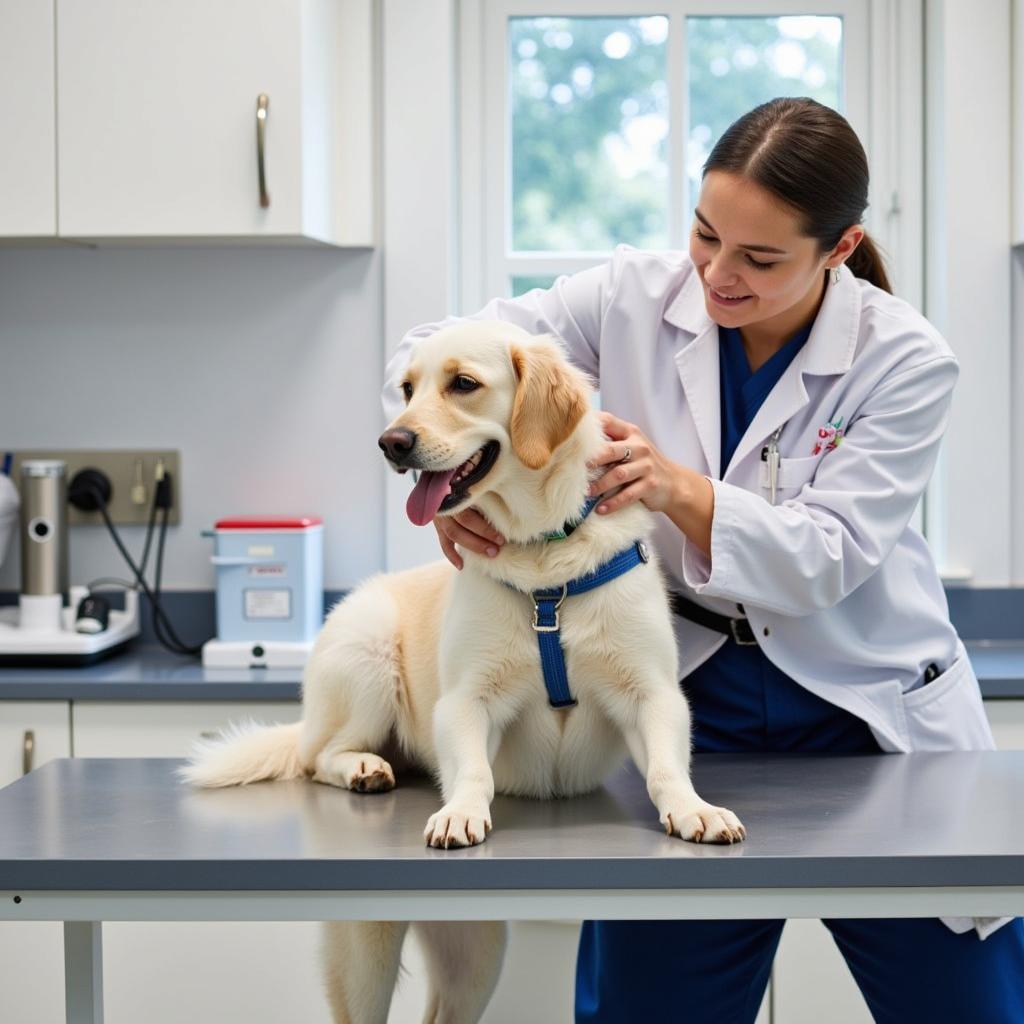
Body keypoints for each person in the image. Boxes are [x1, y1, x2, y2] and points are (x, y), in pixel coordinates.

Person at [383, 97, 1024, 1022]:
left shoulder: (906, 359)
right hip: (690, 708)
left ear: (838, 250)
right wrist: (458, 477)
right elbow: (432, 353)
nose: (718, 275)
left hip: (870, 718)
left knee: (970, 1009)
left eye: (760, 259)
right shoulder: (626, 296)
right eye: (704, 233)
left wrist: (681, 490)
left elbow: (828, 556)